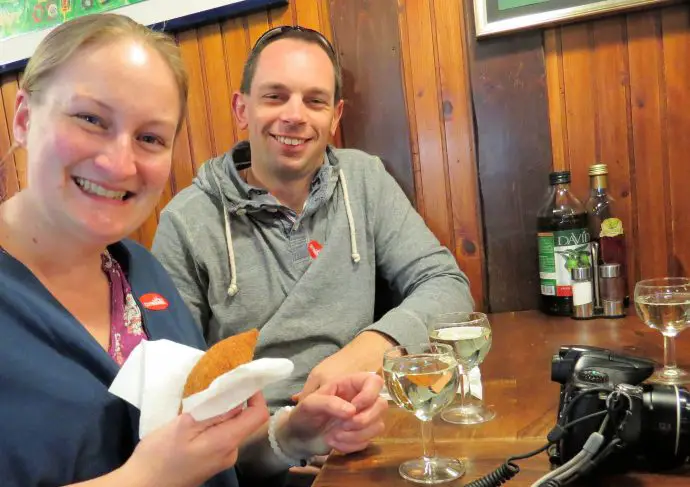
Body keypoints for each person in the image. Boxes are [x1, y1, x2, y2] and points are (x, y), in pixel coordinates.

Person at [0, 14, 387, 487]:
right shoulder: (186, 225)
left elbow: (209, 457)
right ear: (23, 119)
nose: (120, 163)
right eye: (90, 119)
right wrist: (145, 479)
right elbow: (167, 469)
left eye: (149, 138)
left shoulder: (139, 272)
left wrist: (294, 434)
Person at [151, 25, 474, 410]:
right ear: (242, 109)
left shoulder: (364, 179)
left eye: (315, 101)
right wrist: (281, 437)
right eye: (275, 96)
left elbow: (445, 283)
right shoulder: (186, 222)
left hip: (363, 421)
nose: (294, 116)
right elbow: (174, 391)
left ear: (335, 116)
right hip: (253, 448)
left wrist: (378, 344)